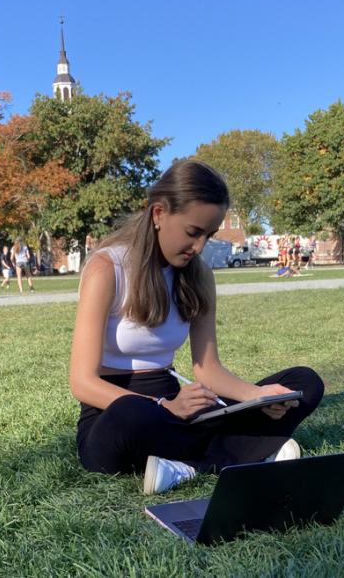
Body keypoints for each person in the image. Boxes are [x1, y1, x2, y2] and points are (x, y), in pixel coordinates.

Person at [70, 160, 324, 495]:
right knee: (131, 413)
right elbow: (82, 383)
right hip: (117, 414)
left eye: (209, 235)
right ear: (158, 214)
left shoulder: (198, 274)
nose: (200, 247)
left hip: (184, 407)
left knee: (304, 382)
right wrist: (163, 408)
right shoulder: (107, 268)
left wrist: (255, 396)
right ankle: (248, 449)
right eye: (193, 232)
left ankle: (187, 465)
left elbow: (208, 370)